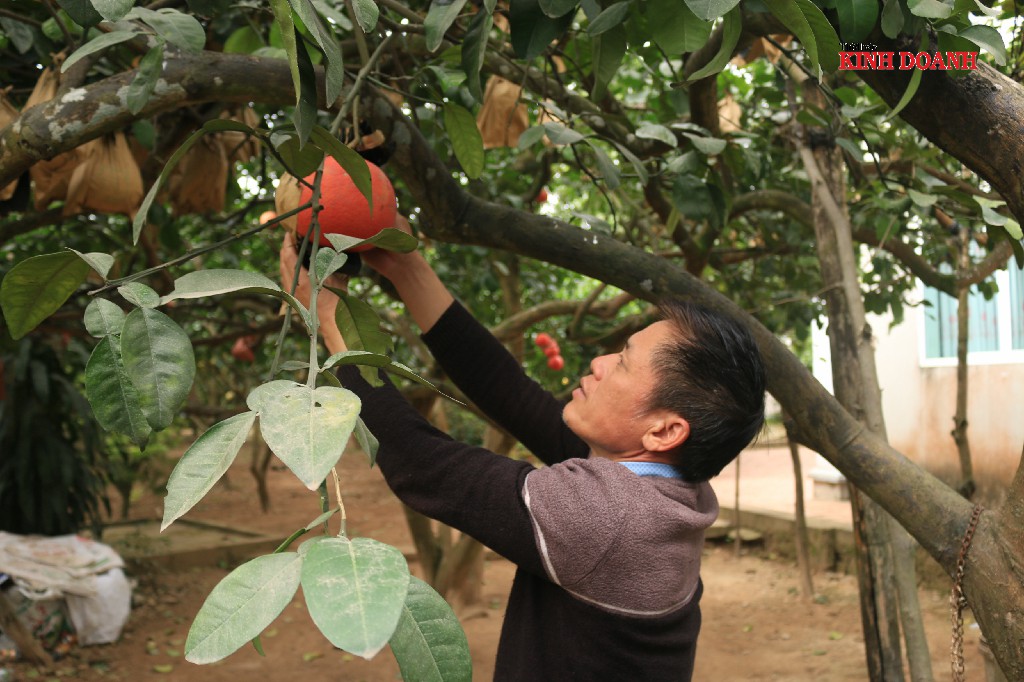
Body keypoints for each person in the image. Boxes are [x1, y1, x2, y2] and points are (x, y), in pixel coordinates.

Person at [279, 216, 767, 681]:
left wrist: (328, 317)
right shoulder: (671, 489)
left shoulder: (608, 520)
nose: (598, 362)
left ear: (664, 432)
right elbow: (508, 392)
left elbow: (424, 466)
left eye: (622, 363)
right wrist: (406, 265)